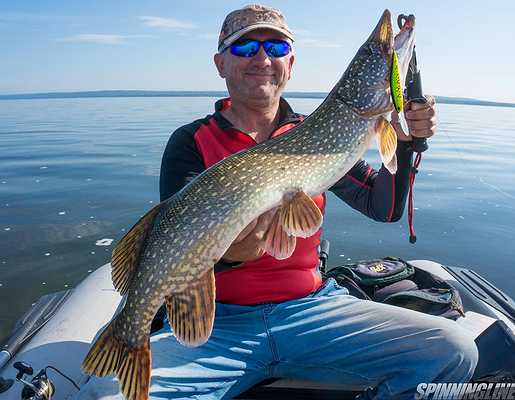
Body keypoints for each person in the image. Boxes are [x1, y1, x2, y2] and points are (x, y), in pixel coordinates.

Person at [77, 4, 478, 400]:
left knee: (453, 352)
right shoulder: (191, 141)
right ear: (220, 64)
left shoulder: (316, 133)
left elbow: (383, 207)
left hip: (312, 312)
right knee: (105, 393)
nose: (263, 58)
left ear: (291, 63)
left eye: (277, 49)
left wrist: (407, 147)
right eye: (245, 48)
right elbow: (180, 243)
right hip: (221, 327)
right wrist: (239, 251)